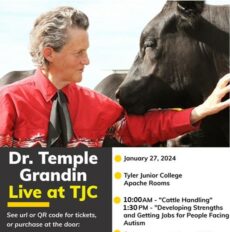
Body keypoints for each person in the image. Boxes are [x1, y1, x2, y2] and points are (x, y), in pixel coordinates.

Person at [0, 6, 229, 148]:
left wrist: (199, 111)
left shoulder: (96, 105)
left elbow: (138, 128)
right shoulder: (9, 101)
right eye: (79, 52)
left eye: (87, 51)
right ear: (50, 53)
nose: (87, 60)